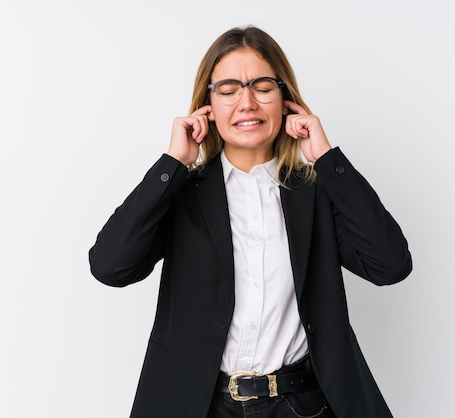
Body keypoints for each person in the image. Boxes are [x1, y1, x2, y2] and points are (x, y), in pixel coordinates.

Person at [89, 25, 412, 418]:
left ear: (285, 100)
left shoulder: (315, 193)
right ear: (207, 105)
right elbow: (110, 267)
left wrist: (326, 158)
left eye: (262, 87)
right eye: (228, 90)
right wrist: (172, 164)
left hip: (304, 404)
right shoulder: (182, 193)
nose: (246, 103)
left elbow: (390, 265)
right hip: (202, 406)